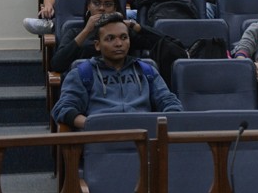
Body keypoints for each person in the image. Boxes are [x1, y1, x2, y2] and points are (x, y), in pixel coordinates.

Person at [52, 13, 183, 130]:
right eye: (110, 38)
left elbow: (169, 102)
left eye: (124, 37)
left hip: (144, 138)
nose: (119, 43)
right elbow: (63, 108)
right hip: (102, 142)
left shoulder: (147, 71)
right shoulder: (82, 74)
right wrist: (92, 125)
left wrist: (163, 123)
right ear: (97, 45)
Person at [48, 0, 166, 73]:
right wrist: (86, 31)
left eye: (108, 4)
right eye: (97, 3)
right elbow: (57, 64)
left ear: (115, 8)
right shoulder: (75, 32)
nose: (102, 8)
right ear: (89, 6)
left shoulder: (124, 34)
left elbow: (162, 42)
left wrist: (132, 25)